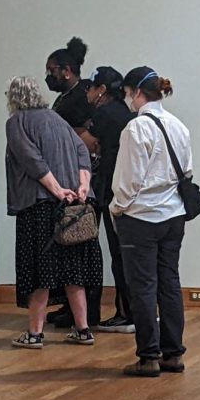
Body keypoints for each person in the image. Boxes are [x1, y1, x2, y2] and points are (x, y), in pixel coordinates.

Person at [4, 76, 103, 348]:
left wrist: (57, 189)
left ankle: (35, 333)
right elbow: (83, 151)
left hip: (40, 204)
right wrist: (83, 186)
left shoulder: (16, 122)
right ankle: (82, 329)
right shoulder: (57, 119)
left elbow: (30, 160)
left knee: (39, 270)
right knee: (73, 268)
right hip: (74, 205)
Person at [111, 67, 193, 377]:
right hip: (174, 215)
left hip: (141, 217)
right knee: (169, 282)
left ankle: (148, 356)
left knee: (143, 287)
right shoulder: (179, 126)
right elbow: (187, 172)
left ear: (135, 92)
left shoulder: (136, 129)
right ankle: (173, 354)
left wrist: (117, 208)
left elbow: (128, 181)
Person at [44, 37, 100, 327]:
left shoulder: (81, 96)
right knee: (67, 243)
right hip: (66, 176)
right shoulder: (65, 97)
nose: (48, 76)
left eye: (51, 70)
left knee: (82, 241)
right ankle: (70, 306)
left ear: (66, 70)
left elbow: (83, 136)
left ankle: (87, 310)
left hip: (83, 177)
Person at [80, 66, 137, 333]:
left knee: (117, 253)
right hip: (129, 190)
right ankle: (133, 310)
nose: (88, 92)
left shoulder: (103, 114)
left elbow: (85, 143)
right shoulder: (127, 114)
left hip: (110, 190)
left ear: (101, 90)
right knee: (128, 253)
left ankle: (126, 314)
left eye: (91, 87)